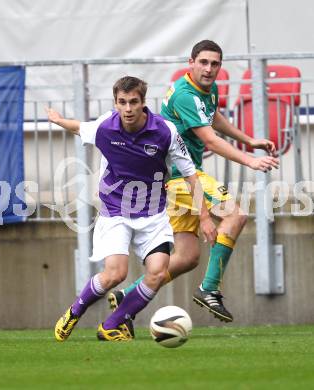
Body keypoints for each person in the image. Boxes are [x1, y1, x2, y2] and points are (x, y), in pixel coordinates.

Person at [108, 40, 279, 324]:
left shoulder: (203, 89)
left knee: (187, 257)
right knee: (235, 216)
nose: (209, 69)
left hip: (171, 178)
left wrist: (249, 140)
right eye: (203, 62)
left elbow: (213, 118)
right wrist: (250, 159)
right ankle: (209, 288)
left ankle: (128, 296)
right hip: (180, 177)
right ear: (191, 62)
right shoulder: (186, 95)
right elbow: (210, 138)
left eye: (215, 64)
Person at [48, 76, 217, 341]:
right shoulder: (106, 127)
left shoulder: (165, 131)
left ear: (143, 103)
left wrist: (204, 217)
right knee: (116, 274)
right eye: (122, 102)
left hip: (153, 215)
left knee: (158, 272)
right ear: (116, 103)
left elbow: (190, 174)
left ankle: (111, 325)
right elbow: (81, 127)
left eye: (133, 102)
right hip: (116, 212)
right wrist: (58, 120)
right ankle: (75, 311)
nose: (128, 109)